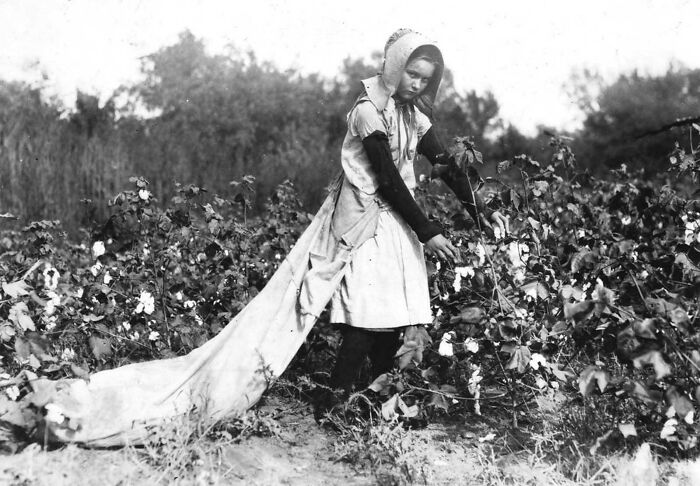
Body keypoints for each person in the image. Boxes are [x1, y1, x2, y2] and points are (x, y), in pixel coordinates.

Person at [318, 29, 508, 413]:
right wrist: (429, 232)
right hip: (363, 220)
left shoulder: (412, 114)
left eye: (424, 78)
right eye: (411, 73)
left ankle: (379, 401)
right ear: (393, 66)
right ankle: (332, 405)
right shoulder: (368, 110)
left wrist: (480, 209)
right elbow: (387, 179)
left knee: (396, 312)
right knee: (367, 314)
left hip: (394, 220)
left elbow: (445, 166)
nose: (416, 83)